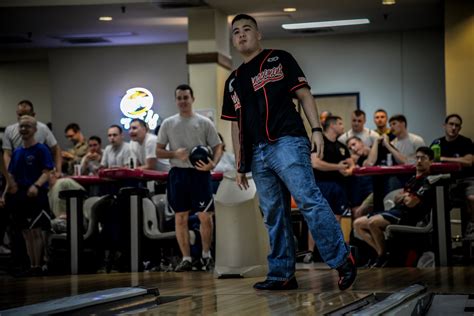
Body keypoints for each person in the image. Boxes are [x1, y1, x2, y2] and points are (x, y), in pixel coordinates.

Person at [221, 14, 356, 291]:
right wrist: (239, 163)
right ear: (233, 41)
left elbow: (304, 94)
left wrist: (316, 129)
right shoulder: (233, 81)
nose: (242, 35)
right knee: (273, 213)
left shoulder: (279, 58)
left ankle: (343, 259)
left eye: (247, 29)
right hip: (257, 153)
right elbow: (236, 126)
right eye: (236, 32)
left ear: (259, 35)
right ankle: (282, 274)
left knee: (308, 200)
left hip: (288, 141)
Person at [157, 84, 222, 272]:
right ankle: (186, 258)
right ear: (175, 100)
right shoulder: (168, 123)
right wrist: (175, 154)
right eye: (179, 98)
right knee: (181, 217)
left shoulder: (204, 123)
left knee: (205, 217)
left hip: (200, 174)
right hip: (178, 174)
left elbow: (217, 146)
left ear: (192, 98)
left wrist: (213, 164)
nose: (183, 101)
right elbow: (158, 151)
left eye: (186, 97)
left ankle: (206, 255)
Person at [353, 147, 436, 268]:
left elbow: (411, 203)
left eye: (423, 158)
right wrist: (406, 196)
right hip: (396, 211)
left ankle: (381, 256)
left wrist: (405, 197)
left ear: (431, 161)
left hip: (408, 216)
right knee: (357, 223)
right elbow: (397, 198)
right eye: (417, 157)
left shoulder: (427, 181)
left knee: (372, 223)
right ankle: (382, 254)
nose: (419, 161)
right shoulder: (412, 180)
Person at [6, 115, 54, 276]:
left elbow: (47, 172)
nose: (24, 129)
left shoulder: (41, 149)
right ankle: (32, 265)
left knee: (36, 230)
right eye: (21, 126)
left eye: (27, 126)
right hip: (20, 195)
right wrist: (4, 193)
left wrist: (36, 185)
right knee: (26, 232)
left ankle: (38, 265)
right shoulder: (17, 152)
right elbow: (11, 175)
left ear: (34, 129)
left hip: (36, 194)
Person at [431, 114, 474, 239]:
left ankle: (471, 226)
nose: (453, 127)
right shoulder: (436, 143)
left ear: (460, 128)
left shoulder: (466, 142)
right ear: (444, 126)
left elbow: (468, 161)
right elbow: (429, 162)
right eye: (451, 124)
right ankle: (437, 234)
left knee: (472, 197)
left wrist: (444, 159)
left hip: (467, 181)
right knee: (433, 200)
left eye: (457, 125)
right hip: (446, 181)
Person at [2, 100, 61, 177]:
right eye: (20, 115)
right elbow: (7, 155)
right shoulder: (17, 150)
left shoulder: (42, 144)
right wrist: (9, 177)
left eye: (27, 115)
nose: (23, 118)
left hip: (38, 173)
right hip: (19, 173)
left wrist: (58, 171)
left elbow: (56, 150)